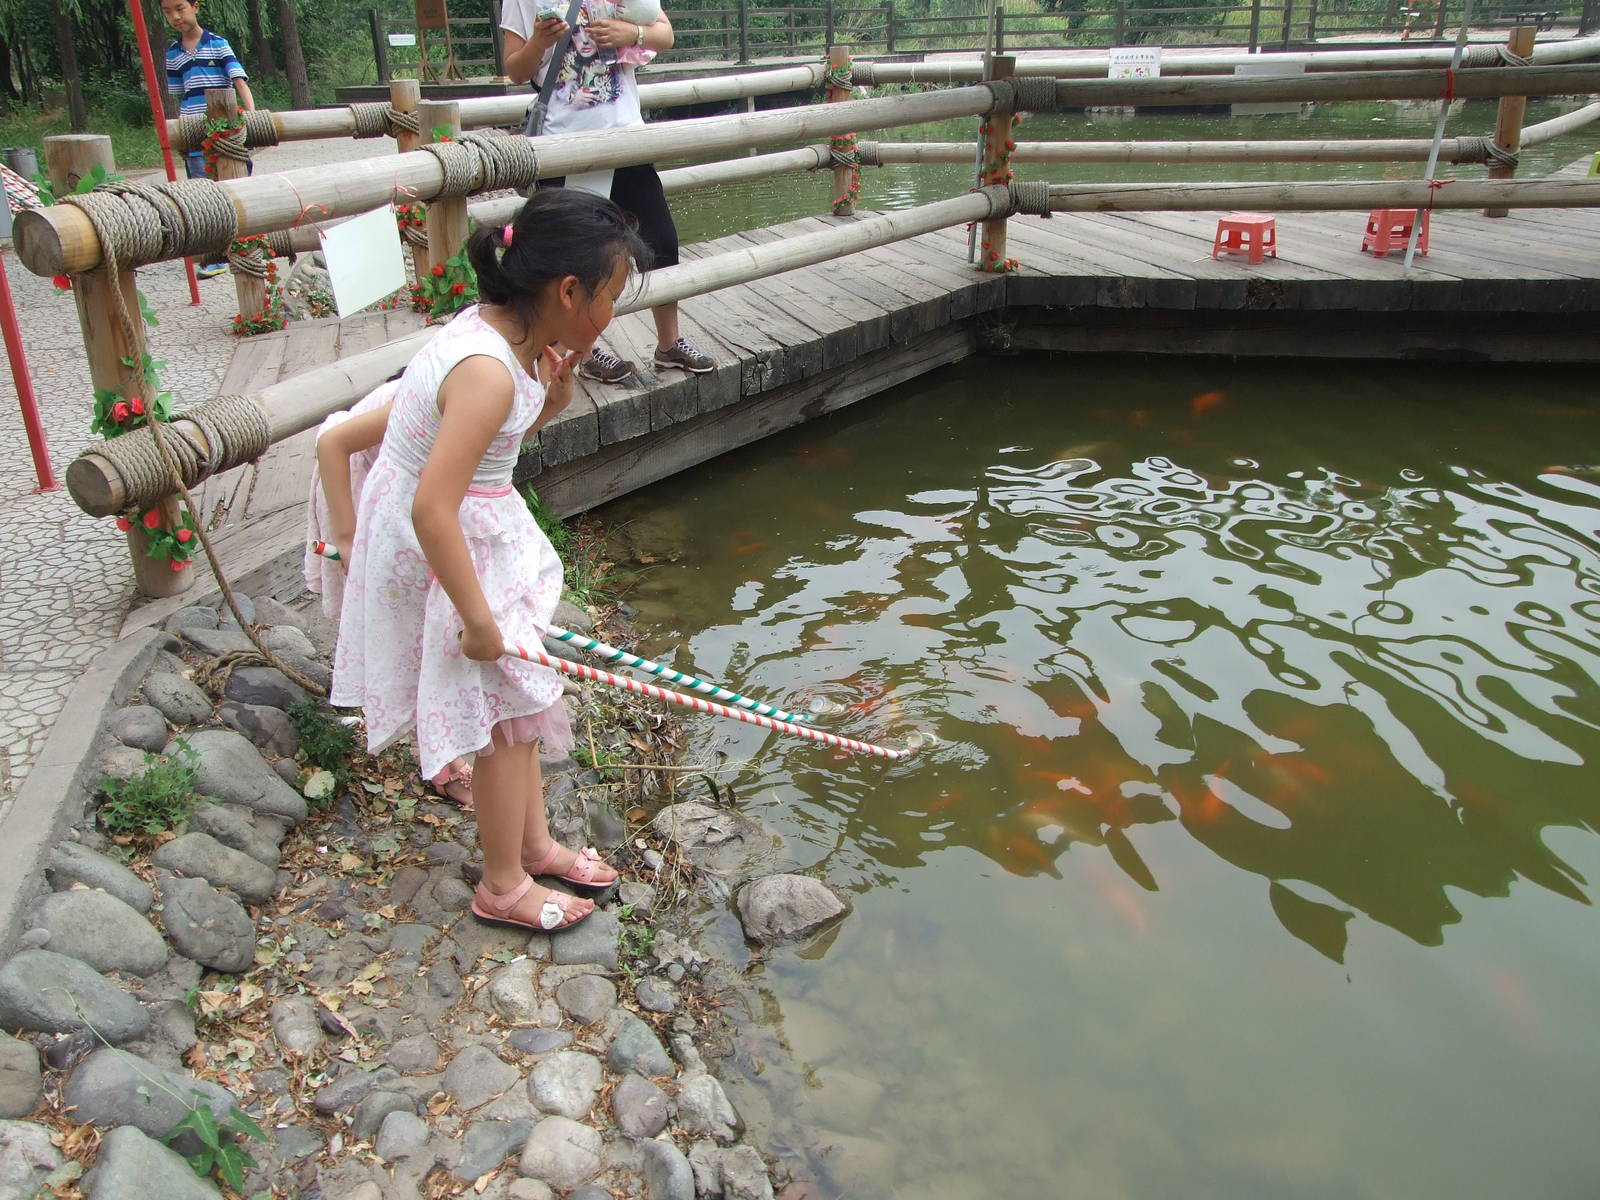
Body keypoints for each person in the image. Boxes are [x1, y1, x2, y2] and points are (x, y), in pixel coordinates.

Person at [332, 189, 640, 932]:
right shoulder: (488, 369)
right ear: (567, 291)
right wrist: (475, 619)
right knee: (506, 717)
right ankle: (502, 883)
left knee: (523, 702)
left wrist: (552, 403)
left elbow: (487, 449)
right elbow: (432, 506)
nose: (610, 317)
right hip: (446, 551)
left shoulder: (503, 337)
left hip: (469, 533)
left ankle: (532, 845)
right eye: (610, 298)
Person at [500, 0, 715, 385]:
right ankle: (582, 352)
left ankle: (669, 343)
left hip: (626, 138)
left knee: (661, 241)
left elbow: (664, 32)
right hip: (565, 145)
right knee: (571, 261)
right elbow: (515, 69)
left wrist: (630, 34)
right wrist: (537, 41)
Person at [306, 379, 475, 809]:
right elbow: (332, 444)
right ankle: (437, 756)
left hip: (406, 490)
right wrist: (347, 536)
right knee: (403, 623)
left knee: (429, 614)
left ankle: (440, 736)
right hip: (360, 486)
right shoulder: (435, 393)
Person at [162, 0, 254, 279]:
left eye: (180, 8)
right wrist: (180, 134)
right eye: (167, 12)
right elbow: (180, 94)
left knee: (235, 184)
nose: (175, 16)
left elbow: (239, 81)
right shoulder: (173, 53)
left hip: (223, 126)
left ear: (195, 7)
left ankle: (244, 242)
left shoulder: (217, 44)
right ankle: (215, 254)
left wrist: (252, 117)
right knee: (203, 193)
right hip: (193, 129)